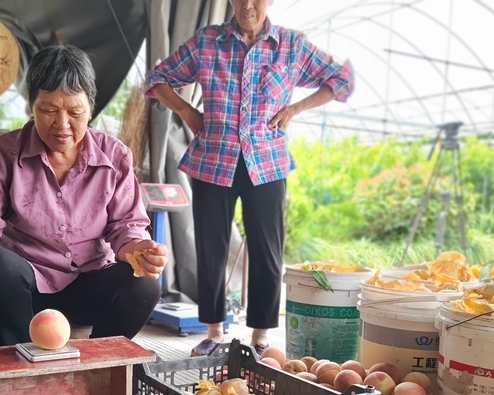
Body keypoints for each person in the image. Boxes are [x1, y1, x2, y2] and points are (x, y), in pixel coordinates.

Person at [144, 0, 353, 357]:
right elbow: (158, 77)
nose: (247, 5)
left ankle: (259, 337)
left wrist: (296, 108)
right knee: (211, 250)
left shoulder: (291, 45)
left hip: (267, 163)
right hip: (213, 160)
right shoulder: (207, 41)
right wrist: (186, 110)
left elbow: (342, 79)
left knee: (267, 252)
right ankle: (213, 332)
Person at [0, 44, 168, 345]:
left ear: (91, 107)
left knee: (144, 284)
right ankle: (22, 362)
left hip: (88, 285)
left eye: (74, 112)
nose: (62, 126)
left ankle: (99, 364)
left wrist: (139, 250)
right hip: (25, 292)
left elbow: (125, 227)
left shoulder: (115, 156)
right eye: (48, 111)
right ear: (31, 107)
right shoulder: (4, 154)